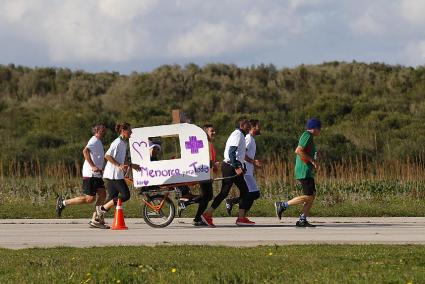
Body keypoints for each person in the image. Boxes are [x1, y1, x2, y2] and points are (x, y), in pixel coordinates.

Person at [201, 118, 252, 227]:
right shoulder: (237, 134)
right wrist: (236, 166)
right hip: (230, 167)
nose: (250, 126)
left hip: (232, 166)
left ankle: (241, 218)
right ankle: (207, 215)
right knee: (225, 192)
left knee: (245, 190)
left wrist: (242, 166)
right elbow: (231, 152)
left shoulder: (241, 135)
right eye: (248, 124)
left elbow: (238, 154)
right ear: (242, 125)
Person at [55, 123, 109, 229]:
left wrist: (100, 169)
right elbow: (85, 151)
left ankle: (96, 219)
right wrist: (93, 166)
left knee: (103, 194)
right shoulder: (93, 140)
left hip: (96, 175)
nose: (105, 131)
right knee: (90, 199)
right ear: (97, 130)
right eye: (103, 129)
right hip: (90, 174)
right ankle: (63, 202)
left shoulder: (98, 142)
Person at [274, 118, 322, 227]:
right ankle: (283, 205)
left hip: (307, 171)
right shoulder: (307, 135)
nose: (320, 131)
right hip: (303, 171)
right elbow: (298, 150)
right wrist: (312, 160)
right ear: (315, 128)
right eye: (319, 128)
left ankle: (302, 219)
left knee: (312, 195)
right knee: (309, 196)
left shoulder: (309, 137)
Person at [96, 122, 140, 220]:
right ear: (123, 131)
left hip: (114, 175)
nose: (131, 132)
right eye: (129, 130)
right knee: (126, 195)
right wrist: (119, 165)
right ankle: (102, 209)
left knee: (111, 198)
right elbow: (107, 155)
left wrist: (131, 165)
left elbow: (121, 159)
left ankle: (96, 218)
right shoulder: (117, 142)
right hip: (113, 175)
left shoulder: (123, 143)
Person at [225, 119, 262, 217]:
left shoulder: (251, 139)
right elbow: (243, 154)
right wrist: (254, 162)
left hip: (248, 171)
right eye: (259, 126)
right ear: (253, 127)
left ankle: (233, 204)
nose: (260, 128)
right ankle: (241, 215)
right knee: (253, 193)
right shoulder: (248, 138)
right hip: (245, 171)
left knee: (252, 193)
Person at [192, 124, 218, 226]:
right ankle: (197, 218)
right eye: (212, 131)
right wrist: (211, 163)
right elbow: (198, 158)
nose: (214, 133)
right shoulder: (203, 143)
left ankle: (197, 217)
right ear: (205, 132)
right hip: (202, 173)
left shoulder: (209, 143)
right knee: (207, 196)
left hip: (207, 173)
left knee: (207, 196)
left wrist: (213, 165)